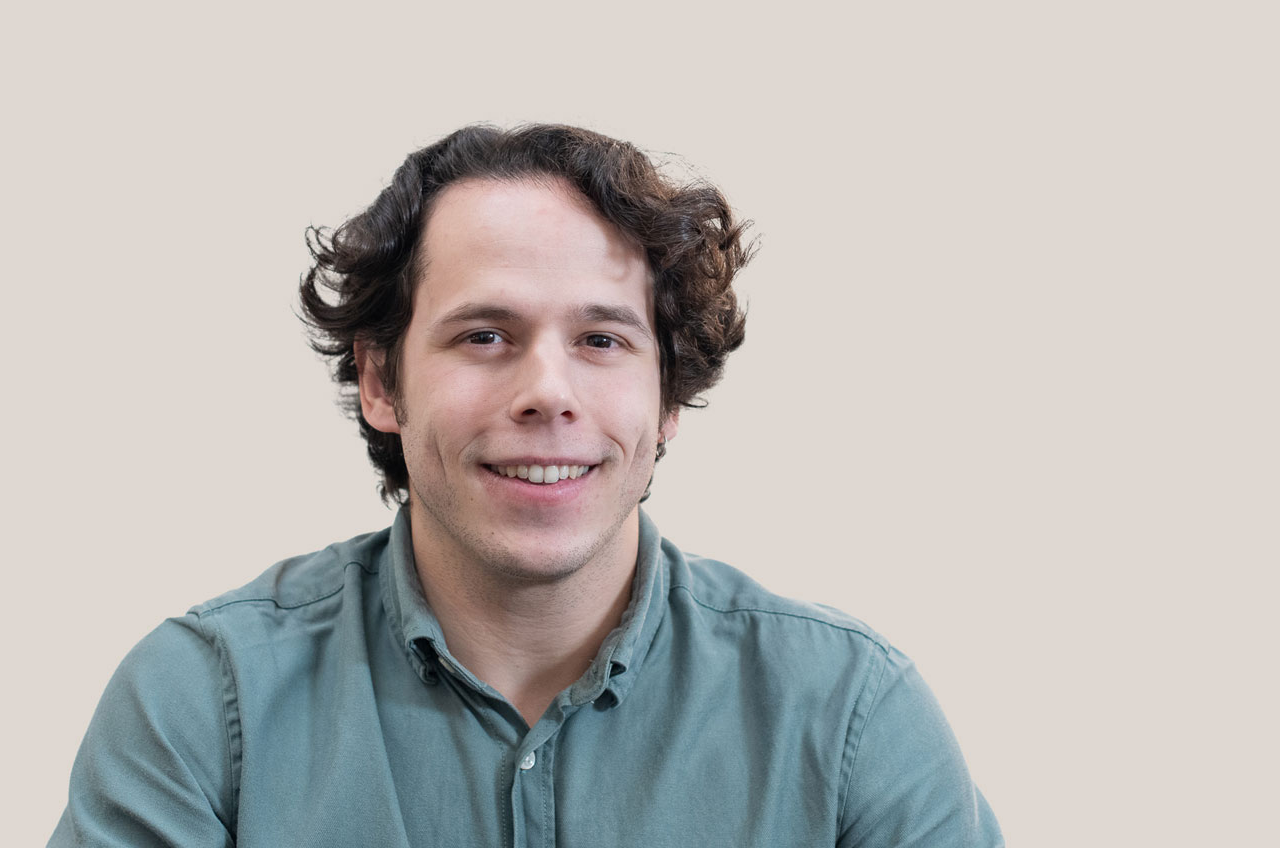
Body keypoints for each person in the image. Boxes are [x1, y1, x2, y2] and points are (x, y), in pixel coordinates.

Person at [49, 124, 1004, 846]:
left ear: (668, 397)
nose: (548, 393)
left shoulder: (849, 714)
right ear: (381, 380)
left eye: (601, 340)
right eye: (484, 336)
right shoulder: (202, 706)